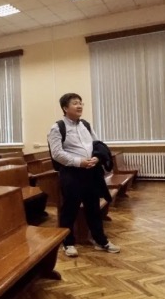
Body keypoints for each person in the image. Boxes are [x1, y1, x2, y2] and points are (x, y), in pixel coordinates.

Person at [47, 93, 120, 257]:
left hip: (91, 172)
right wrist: (79, 162)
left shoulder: (85, 125)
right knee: (70, 209)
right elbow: (57, 153)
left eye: (81, 103)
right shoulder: (57, 127)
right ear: (65, 108)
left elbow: (97, 144)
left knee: (93, 208)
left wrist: (97, 158)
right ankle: (68, 243)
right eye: (75, 103)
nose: (79, 106)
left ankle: (100, 240)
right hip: (71, 173)